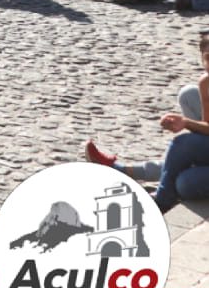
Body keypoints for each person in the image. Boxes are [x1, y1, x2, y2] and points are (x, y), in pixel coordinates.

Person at [85, 34, 209, 214]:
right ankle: (154, 191)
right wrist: (186, 123)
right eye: (208, 58)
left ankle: (154, 193)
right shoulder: (206, 82)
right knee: (188, 99)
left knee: (185, 182)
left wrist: (188, 124)